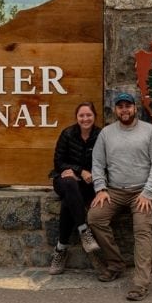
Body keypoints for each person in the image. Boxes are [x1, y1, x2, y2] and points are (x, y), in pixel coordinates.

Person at [87, 91, 152, 301]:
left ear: (135, 108)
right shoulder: (106, 133)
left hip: (141, 192)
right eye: (120, 106)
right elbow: (97, 163)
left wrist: (148, 192)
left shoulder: (149, 131)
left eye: (127, 106)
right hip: (114, 190)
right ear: (115, 110)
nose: (124, 110)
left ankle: (140, 284)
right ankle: (115, 263)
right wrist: (101, 188)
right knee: (95, 218)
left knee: (142, 230)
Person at [47, 101, 102, 275]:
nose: (85, 119)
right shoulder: (67, 134)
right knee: (70, 183)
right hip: (63, 180)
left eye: (88, 115)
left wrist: (89, 174)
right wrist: (78, 170)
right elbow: (58, 163)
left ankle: (60, 248)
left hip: (87, 184)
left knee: (68, 203)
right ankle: (84, 231)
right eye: (81, 115)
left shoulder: (101, 135)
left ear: (94, 116)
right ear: (76, 117)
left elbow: (105, 162)